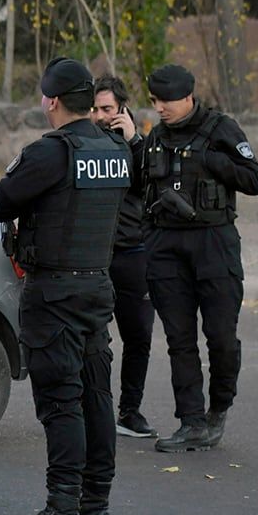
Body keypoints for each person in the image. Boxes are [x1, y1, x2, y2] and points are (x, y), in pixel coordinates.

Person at [0, 57, 129, 515]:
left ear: (51, 101)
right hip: (96, 286)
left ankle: (62, 509)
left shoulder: (50, 153)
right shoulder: (115, 149)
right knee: (96, 395)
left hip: (54, 292)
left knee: (60, 401)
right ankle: (96, 508)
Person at [140, 65, 258, 453]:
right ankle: (191, 422)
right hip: (166, 246)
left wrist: (214, 162)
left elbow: (254, 179)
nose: (159, 108)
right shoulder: (156, 136)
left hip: (213, 242)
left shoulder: (220, 129)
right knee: (179, 339)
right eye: (155, 100)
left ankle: (218, 409)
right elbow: (140, 187)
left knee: (221, 338)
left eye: (166, 101)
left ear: (188, 97)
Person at [91, 75, 157, 439]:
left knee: (138, 336)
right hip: (93, 256)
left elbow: (152, 181)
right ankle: (92, 409)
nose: (100, 116)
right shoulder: (81, 140)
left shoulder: (139, 146)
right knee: (93, 340)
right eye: (95, 109)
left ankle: (130, 412)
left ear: (122, 109)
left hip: (132, 253)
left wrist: (133, 139)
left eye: (107, 109)